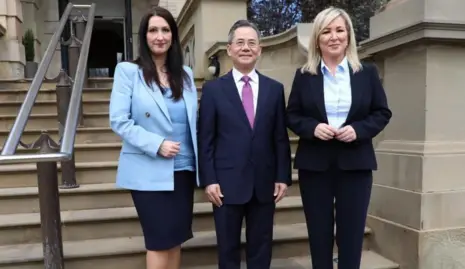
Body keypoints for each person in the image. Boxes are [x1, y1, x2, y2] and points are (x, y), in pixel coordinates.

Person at [286, 7, 392, 269]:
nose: (334, 36)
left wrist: (359, 130)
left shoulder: (366, 73)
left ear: (348, 35)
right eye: (326, 31)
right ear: (317, 39)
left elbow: (381, 112)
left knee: (352, 235)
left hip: (356, 164)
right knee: (319, 235)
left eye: (339, 30)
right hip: (315, 165)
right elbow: (292, 115)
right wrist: (312, 128)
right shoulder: (304, 75)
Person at [109, 6, 198, 269]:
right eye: (153, 30)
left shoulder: (187, 75)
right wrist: (156, 144)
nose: (160, 36)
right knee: (159, 241)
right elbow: (119, 121)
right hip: (148, 171)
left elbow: (194, 122)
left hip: (183, 169)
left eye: (165, 30)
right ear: (144, 36)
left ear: (173, 35)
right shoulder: (128, 72)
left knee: (175, 240)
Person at [198, 20, 292, 269]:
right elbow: (205, 138)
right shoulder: (213, 90)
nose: (246, 47)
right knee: (227, 250)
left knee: (261, 248)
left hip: (264, 184)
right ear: (229, 49)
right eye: (240, 42)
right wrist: (209, 179)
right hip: (225, 186)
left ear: (260, 49)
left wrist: (283, 176)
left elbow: (280, 138)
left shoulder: (274, 89)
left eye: (251, 43)